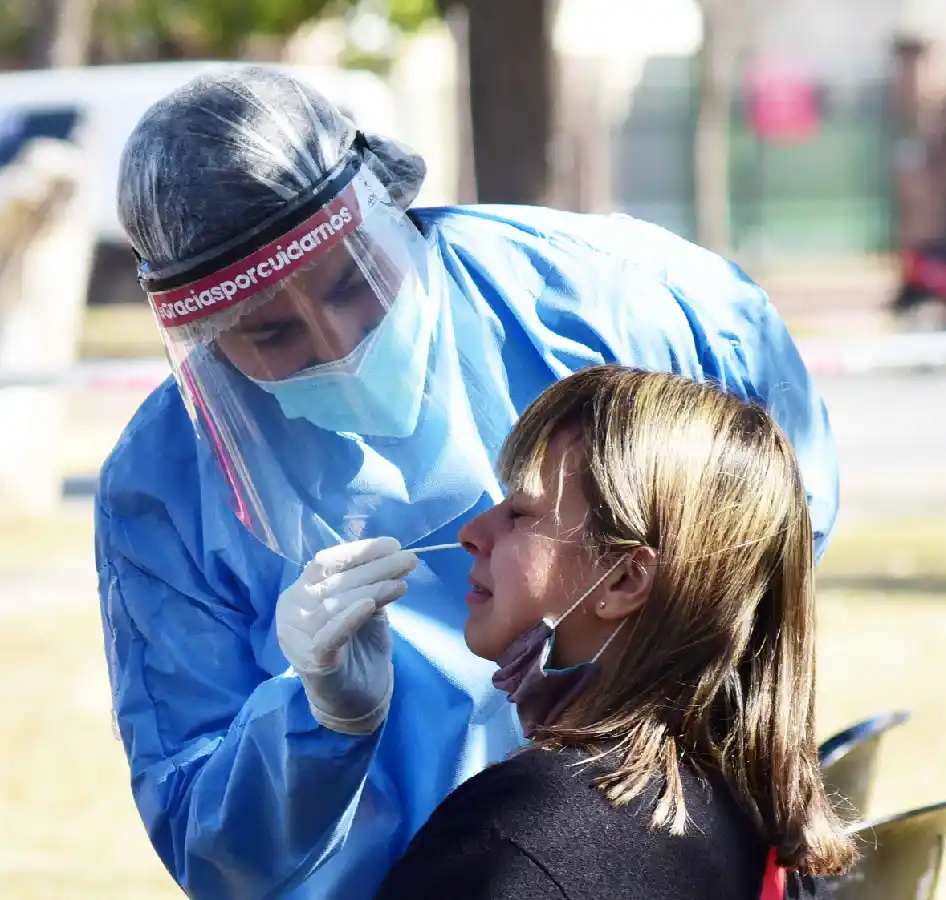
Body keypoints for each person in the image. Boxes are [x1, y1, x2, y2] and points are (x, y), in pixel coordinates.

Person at [97, 65, 839, 899]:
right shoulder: (166, 486)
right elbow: (213, 845)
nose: (337, 342)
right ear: (200, 332)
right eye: (269, 332)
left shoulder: (622, 302)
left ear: (393, 204)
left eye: (354, 283)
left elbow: (772, 527)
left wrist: (640, 694)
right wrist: (316, 722)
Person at [376, 365, 855, 899]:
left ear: (625, 577)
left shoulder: (520, 838)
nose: (472, 533)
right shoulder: (751, 808)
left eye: (519, 513)